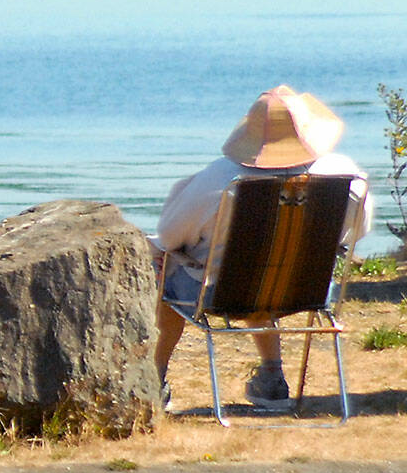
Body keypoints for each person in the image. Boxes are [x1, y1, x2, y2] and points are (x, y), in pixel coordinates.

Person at [151, 85, 374, 411]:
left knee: (168, 270)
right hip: (309, 290)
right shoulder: (344, 175)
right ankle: (271, 380)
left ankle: (155, 380)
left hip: (226, 293)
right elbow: (359, 232)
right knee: (274, 266)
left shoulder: (222, 177)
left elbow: (170, 237)